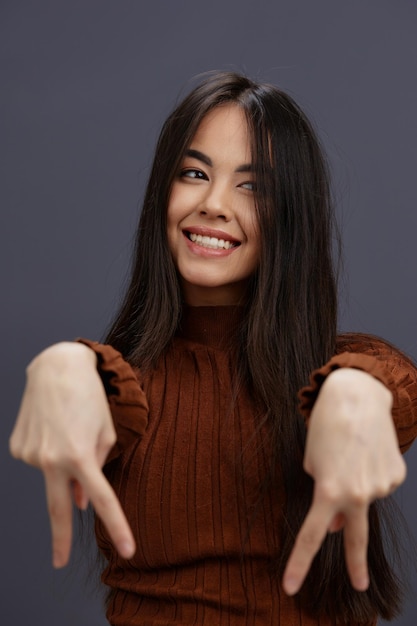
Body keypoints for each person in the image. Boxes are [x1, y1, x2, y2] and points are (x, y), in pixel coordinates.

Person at [10, 72, 417, 625]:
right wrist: (66, 366)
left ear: (291, 218)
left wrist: (356, 393)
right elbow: (103, 388)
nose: (214, 204)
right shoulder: (128, 385)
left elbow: (388, 384)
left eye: (253, 186)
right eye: (194, 173)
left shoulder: (334, 372)